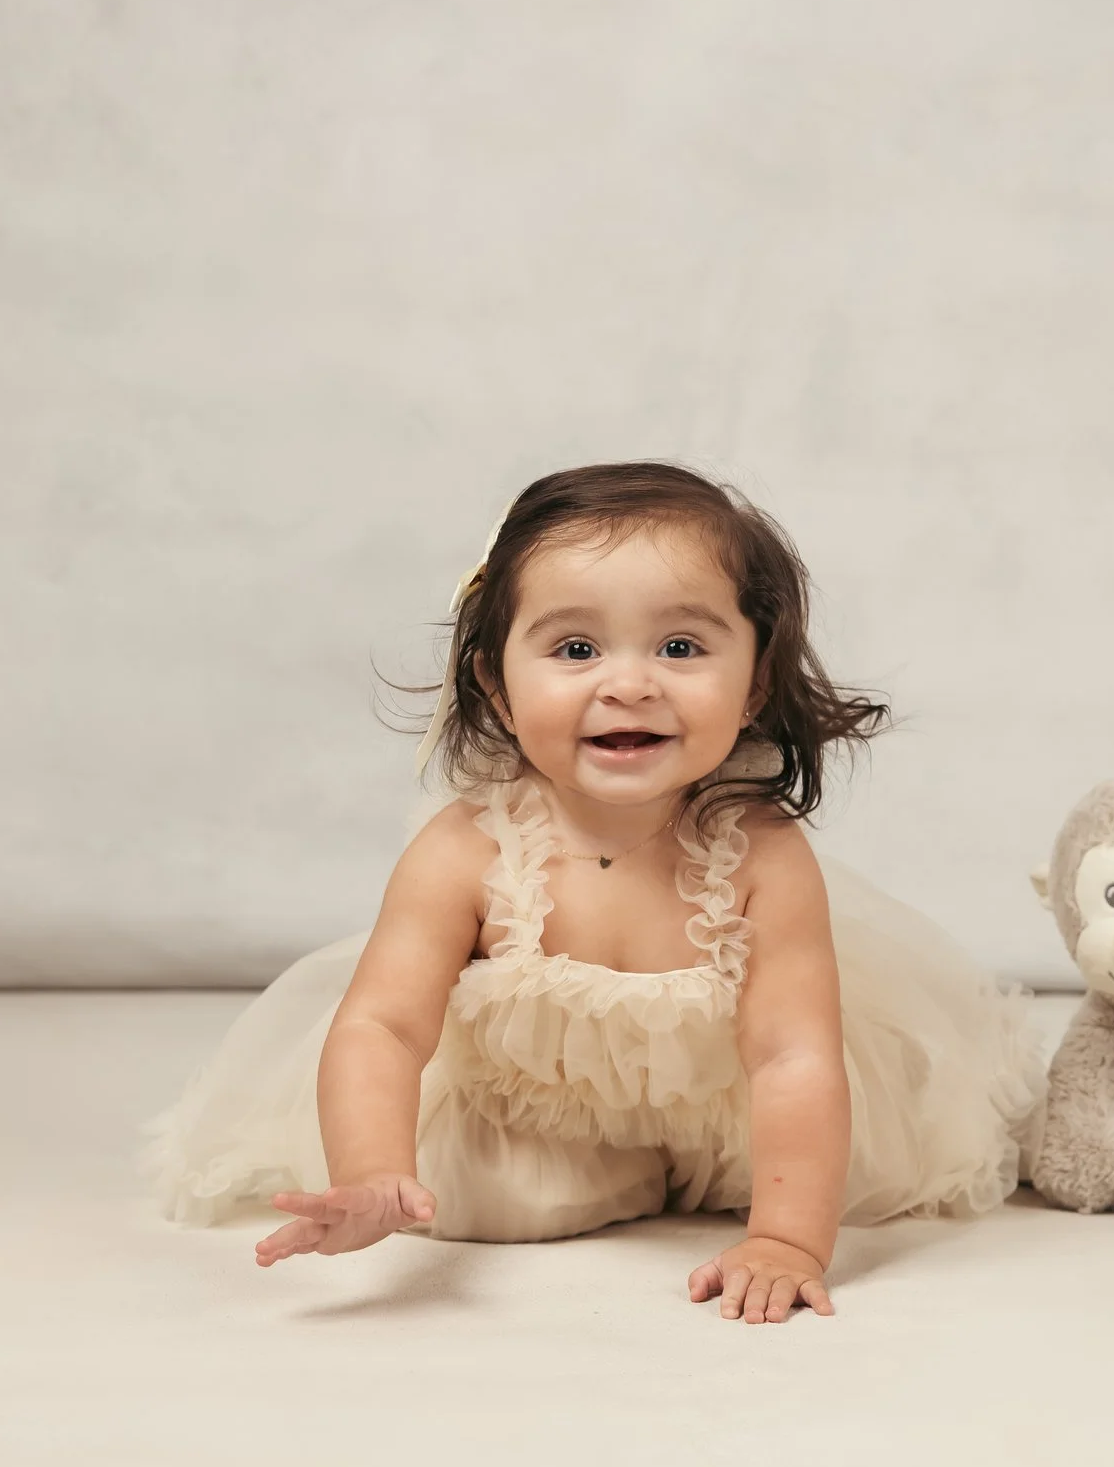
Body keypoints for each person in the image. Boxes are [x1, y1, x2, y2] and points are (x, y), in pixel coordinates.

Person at [145, 460, 1046, 1323]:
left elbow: (789, 1057)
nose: (629, 682)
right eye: (576, 648)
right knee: (478, 1203)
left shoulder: (762, 857)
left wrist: (786, 1241)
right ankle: (546, 1175)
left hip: (721, 1112)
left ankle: (698, 1179)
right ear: (497, 684)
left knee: (837, 1161)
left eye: (681, 645)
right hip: (525, 1106)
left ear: (755, 680)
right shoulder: (468, 850)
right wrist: (374, 1167)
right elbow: (384, 1023)